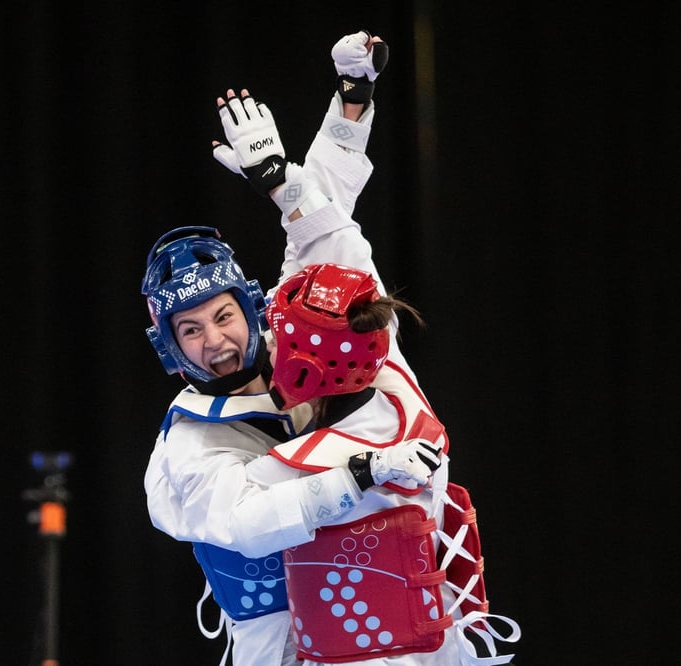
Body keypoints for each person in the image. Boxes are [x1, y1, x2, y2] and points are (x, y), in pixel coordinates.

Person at [207, 33, 522, 666]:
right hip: (430, 639)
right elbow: (332, 239)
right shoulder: (383, 361)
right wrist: (338, 120)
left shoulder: (311, 461)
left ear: (306, 370)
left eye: (277, 336)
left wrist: (282, 182)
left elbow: (226, 519)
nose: (264, 339)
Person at [142, 30, 442, 666]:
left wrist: (346, 110)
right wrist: (359, 475)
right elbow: (246, 519)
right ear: (169, 349)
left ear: (255, 309)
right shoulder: (187, 444)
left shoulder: (312, 338)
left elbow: (334, 252)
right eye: (190, 330)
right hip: (287, 651)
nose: (215, 341)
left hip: (410, 634)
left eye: (223, 316)